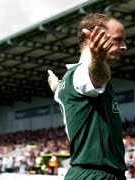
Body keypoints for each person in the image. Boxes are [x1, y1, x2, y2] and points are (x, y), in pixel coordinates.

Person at [47, 13, 127, 180]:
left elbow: (65, 90)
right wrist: (97, 61)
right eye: (118, 39)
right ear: (93, 36)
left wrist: (55, 85)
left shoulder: (68, 81)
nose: (124, 46)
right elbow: (97, 75)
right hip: (97, 175)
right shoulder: (83, 73)